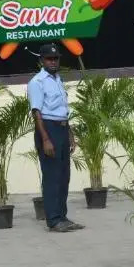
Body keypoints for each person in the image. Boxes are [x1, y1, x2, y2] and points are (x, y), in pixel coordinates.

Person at [28, 42, 83, 233]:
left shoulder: (58, 79)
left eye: (56, 58)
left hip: (61, 128)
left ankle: (62, 217)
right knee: (52, 177)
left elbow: (63, 111)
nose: (53, 62)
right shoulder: (37, 82)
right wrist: (45, 140)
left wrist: (70, 134)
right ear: (42, 61)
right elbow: (36, 113)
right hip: (47, 129)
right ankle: (53, 220)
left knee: (63, 176)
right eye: (49, 59)